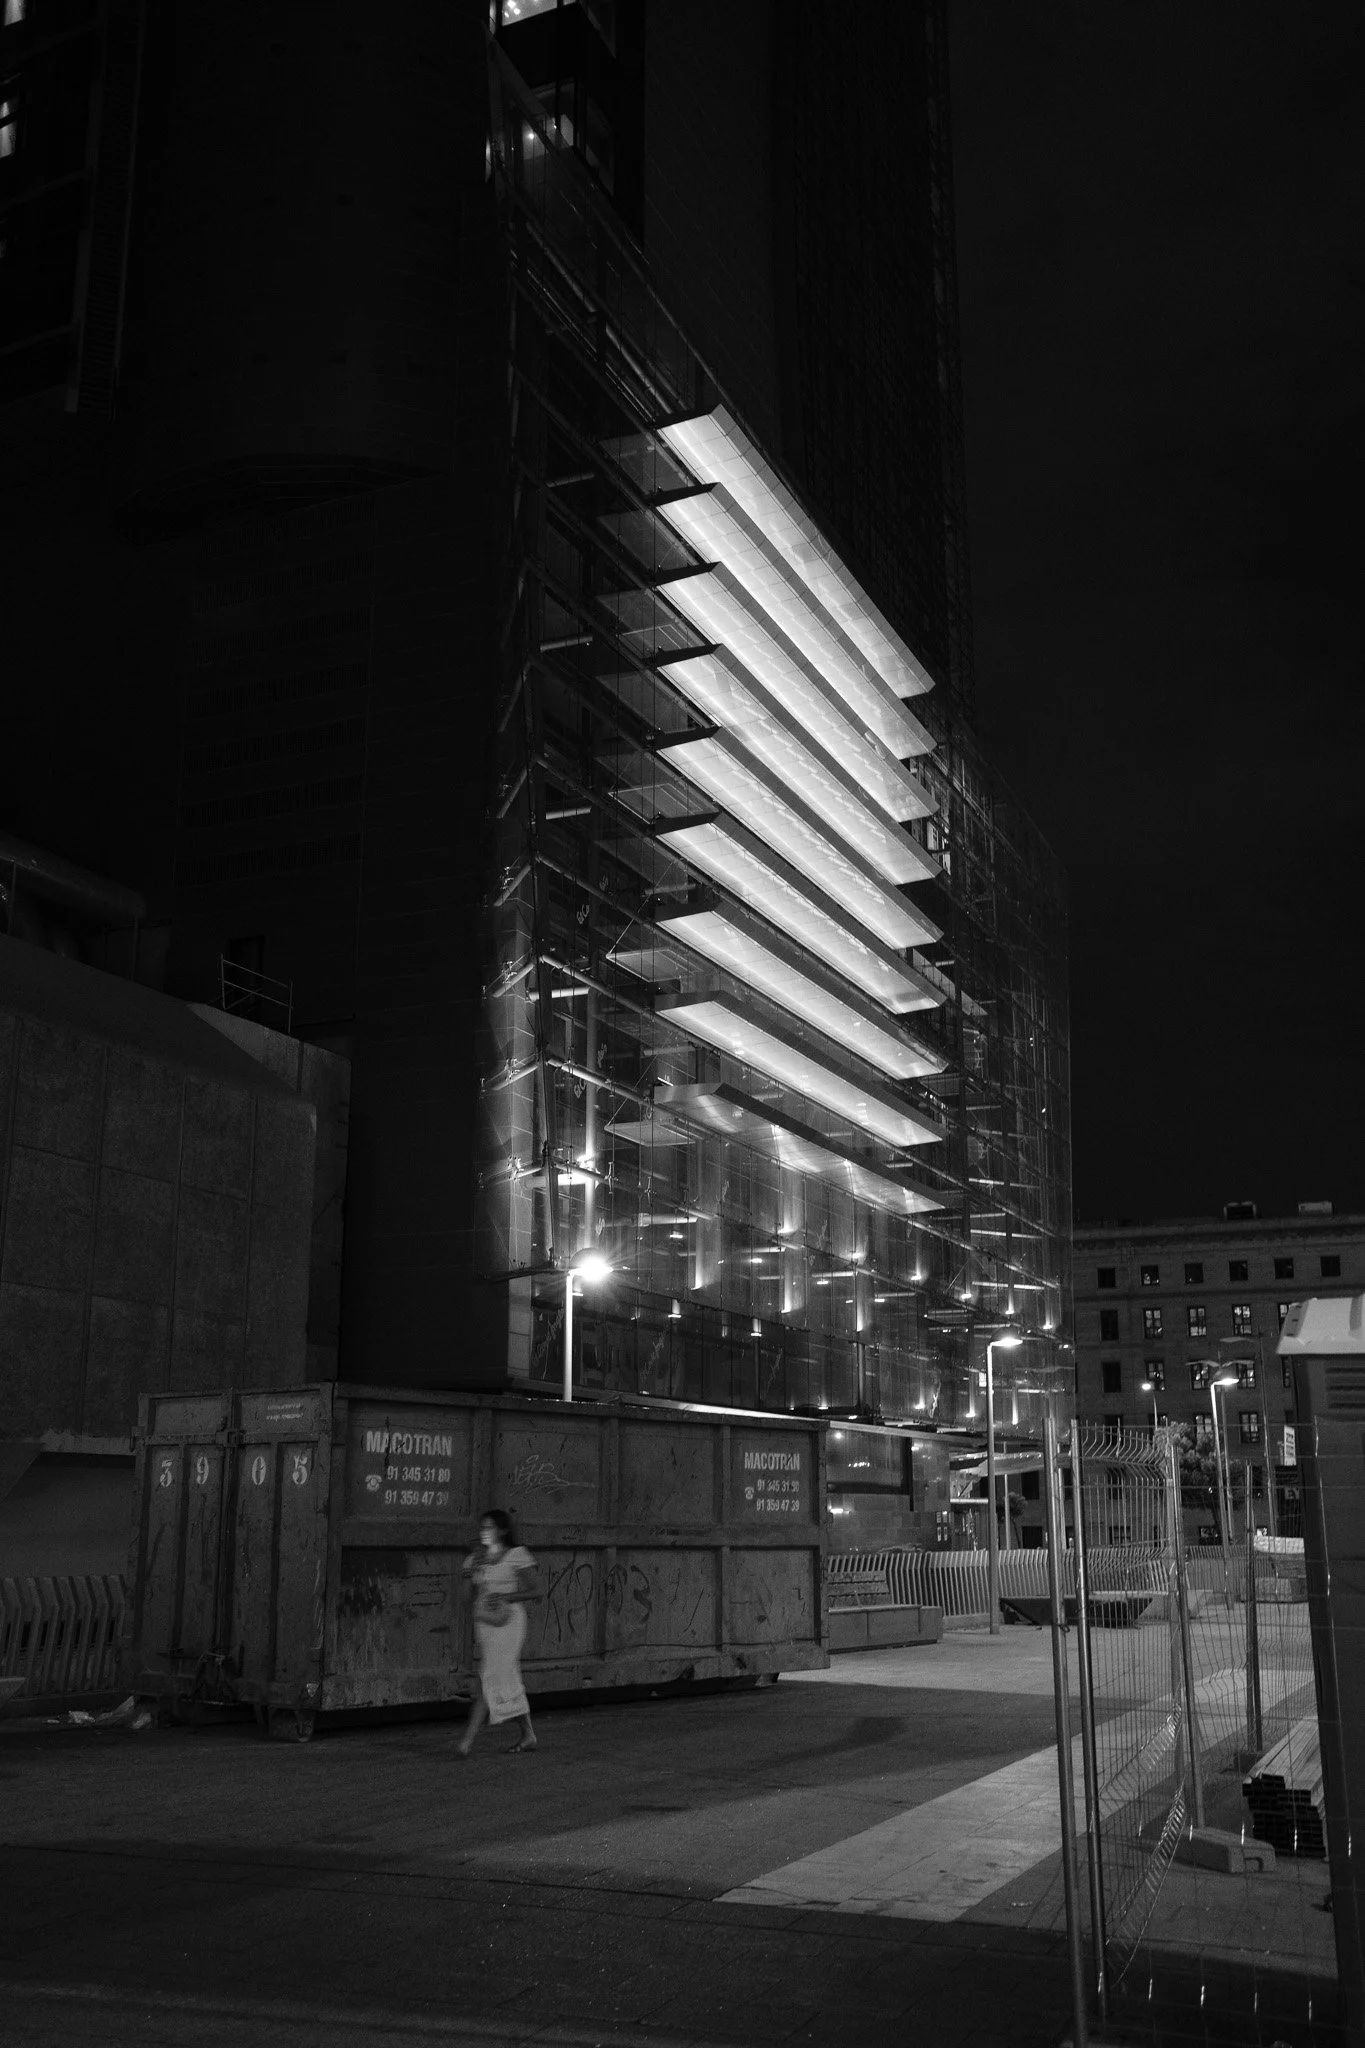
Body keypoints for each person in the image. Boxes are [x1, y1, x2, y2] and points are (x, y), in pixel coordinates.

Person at [458, 1509, 538, 1756]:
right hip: (486, 1622)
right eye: (483, 1527)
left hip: (510, 1621)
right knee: (503, 1677)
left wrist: (506, 1596)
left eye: (490, 1527)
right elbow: (465, 1597)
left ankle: (467, 1742)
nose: (485, 1532)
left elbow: (536, 1590)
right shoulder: (476, 1559)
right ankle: (528, 1733)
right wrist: (471, 1570)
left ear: (502, 1530)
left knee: (490, 1676)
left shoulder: (516, 1555)